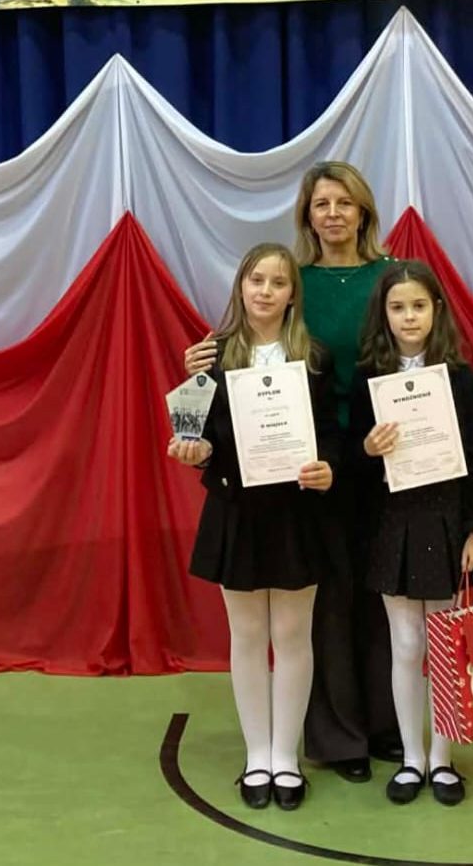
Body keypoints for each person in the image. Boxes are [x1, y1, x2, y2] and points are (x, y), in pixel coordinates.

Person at [184, 161, 400, 782]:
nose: (333, 214)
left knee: (377, 603)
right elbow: (201, 424)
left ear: (363, 210)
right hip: (283, 485)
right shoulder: (281, 292)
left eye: (344, 202)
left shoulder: (386, 279)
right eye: (321, 203)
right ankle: (328, 740)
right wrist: (195, 422)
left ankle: (380, 728)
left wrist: (341, 456)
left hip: (365, 456)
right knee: (316, 615)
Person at [168, 243, 340, 812]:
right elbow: (198, 436)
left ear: (293, 295)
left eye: (278, 282)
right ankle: (257, 755)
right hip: (236, 512)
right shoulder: (209, 357)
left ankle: (286, 757)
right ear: (241, 287)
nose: (265, 290)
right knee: (246, 637)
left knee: (292, 636)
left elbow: (332, 433)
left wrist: (329, 468)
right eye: (256, 280)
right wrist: (195, 451)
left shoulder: (314, 358)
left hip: (298, 514)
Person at [351, 260, 473, 807]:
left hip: (446, 520)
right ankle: (412, 757)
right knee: (405, 645)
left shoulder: (459, 377)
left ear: (436, 311)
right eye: (397, 307)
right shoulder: (368, 377)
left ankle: (443, 759)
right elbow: (353, 460)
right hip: (392, 522)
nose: (409, 317)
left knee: (446, 646)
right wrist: (367, 449)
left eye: (418, 306)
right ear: (383, 315)